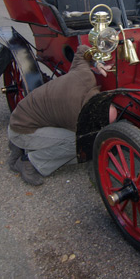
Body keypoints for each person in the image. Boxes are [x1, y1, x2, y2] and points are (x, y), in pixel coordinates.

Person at [7, 45, 116, 185]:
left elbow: (82, 49)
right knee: (77, 146)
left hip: (20, 117)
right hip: (23, 129)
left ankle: (20, 145)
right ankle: (30, 163)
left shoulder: (85, 75)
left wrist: (97, 63)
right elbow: (83, 143)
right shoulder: (75, 117)